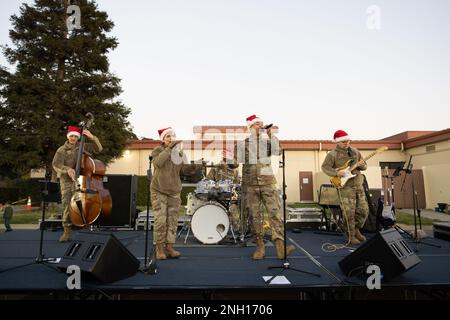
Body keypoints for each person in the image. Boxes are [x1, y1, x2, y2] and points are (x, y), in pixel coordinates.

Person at [227, 115, 295, 260]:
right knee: (255, 216)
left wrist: (271, 134)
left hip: (268, 182)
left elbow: (278, 151)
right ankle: (260, 247)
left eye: (261, 124)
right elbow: (234, 163)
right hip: (250, 185)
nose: (260, 126)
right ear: (250, 127)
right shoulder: (241, 145)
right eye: (257, 124)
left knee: (275, 214)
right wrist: (229, 162)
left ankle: (280, 248)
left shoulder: (267, 143)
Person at [151, 127, 195, 260]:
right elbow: (158, 163)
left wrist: (194, 167)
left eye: (172, 136)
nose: (170, 138)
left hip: (174, 190)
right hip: (159, 189)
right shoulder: (157, 150)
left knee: (173, 220)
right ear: (163, 139)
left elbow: (185, 171)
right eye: (167, 136)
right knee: (161, 220)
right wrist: (169, 149)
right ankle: (159, 248)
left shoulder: (180, 153)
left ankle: (169, 247)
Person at [52, 125, 103, 242]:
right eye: (72, 136)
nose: (73, 138)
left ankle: (85, 224)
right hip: (67, 181)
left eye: (75, 136)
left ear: (78, 137)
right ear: (68, 137)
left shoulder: (83, 146)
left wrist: (92, 137)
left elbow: (99, 149)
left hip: (82, 180)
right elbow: (56, 164)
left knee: (85, 202)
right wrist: (67, 170)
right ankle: (66, 230)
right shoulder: (61, 150)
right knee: (67, 205)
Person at [321, 130, 369, 245]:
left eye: (348, 141)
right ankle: (350, 235)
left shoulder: (356, 152)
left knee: (364, 211)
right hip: (345, 187)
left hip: (358, 185)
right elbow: (325, 167)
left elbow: (364, 167)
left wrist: (362, 165)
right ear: (337, 142)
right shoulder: (332, 154)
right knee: (349, 213)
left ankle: (356, 229)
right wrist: (336, 173)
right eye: (343, 142)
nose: (346, 143)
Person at [206, 150, 241, 233]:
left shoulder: (235, 171)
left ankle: (235, 231)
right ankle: (213, 229)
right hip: (216, 196)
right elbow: (208, 181)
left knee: (234, 211)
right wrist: (214, 186)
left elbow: (237, 184)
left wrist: (234, 189)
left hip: (230, 197)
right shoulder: (216, 168)